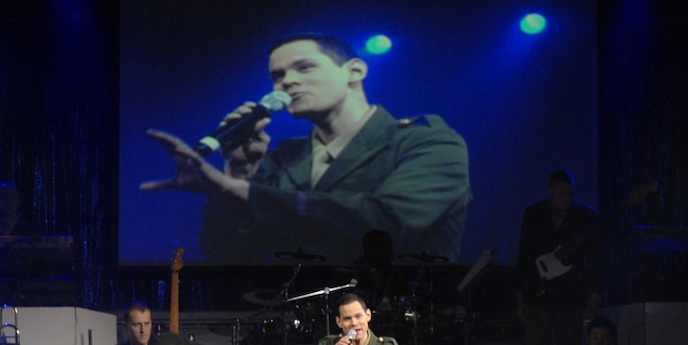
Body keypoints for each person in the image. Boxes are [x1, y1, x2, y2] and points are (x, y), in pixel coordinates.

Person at [141, 33, 470, 264]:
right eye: (277, 75)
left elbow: (387, 223)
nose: (286, 81)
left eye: (304, 67)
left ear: (355, 71)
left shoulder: (427, 141)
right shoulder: (285, 158)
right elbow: (228, 257)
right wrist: (241, 173)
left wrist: (238, 189)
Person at [517, 170, 603, 345]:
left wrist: (594, 292)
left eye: (570, 194)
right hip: (539, 294)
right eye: (562, 194)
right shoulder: (534, 215)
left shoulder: (585, 216)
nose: (567, 199)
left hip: (570, 295)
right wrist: (521, 294)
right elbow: (524, 255)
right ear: (551, 191)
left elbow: (596, 257)